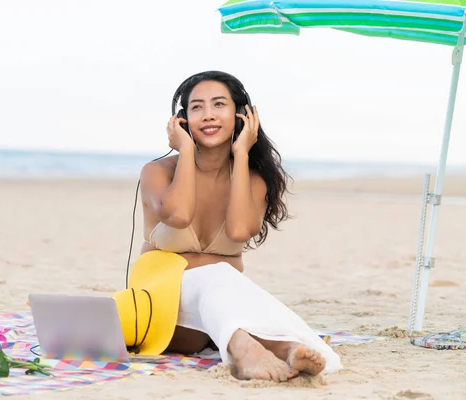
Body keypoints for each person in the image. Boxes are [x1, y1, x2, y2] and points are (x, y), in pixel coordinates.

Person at [135, 71, 342, 382]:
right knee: (218, 275)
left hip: (216, 313)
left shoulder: (254, 179)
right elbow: (178, 216)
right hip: (162, 308)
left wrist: (242, 153)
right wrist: (187, 151)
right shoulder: (157, 171)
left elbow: (239, 231)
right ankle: (245, 349)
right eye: (196, 108)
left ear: (242, 115)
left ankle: (285, 349)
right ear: (181, 120)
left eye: (219, 104)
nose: (208, 115)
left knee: (225, 286)